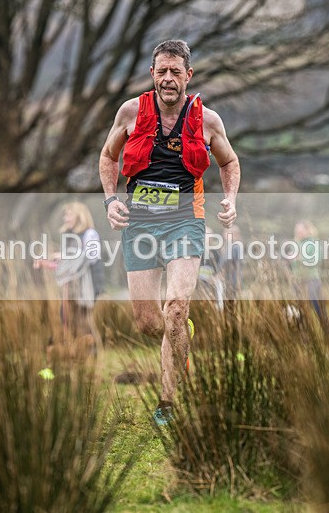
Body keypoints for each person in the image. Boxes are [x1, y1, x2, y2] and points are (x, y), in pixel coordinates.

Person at [98, 39, 240, 425]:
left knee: (175, 309)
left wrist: (229, 199)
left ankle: (168, 403)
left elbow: (229, 161)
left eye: (175, 71)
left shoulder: (207, 120)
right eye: (161, 71)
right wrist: (111, 201)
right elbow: (109, 157)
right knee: (148, 322)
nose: (168, 78)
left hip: (185, 222)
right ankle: (180, 337)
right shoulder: (130, 112)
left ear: (188, 75)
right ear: (152, 74)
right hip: (140, 225)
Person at [33, 202, 102, 352]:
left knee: (83, 320)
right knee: (66, 318)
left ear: (80, 215)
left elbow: (92, 257)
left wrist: (65, 256)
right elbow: (66, 264)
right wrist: (47, 263)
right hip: (71, 288)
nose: (66, 218)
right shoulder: (70, 236)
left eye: (69, 214)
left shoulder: (90, 234)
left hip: (86, 288)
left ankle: (91, 355)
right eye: (65, 215)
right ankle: (74, 355)